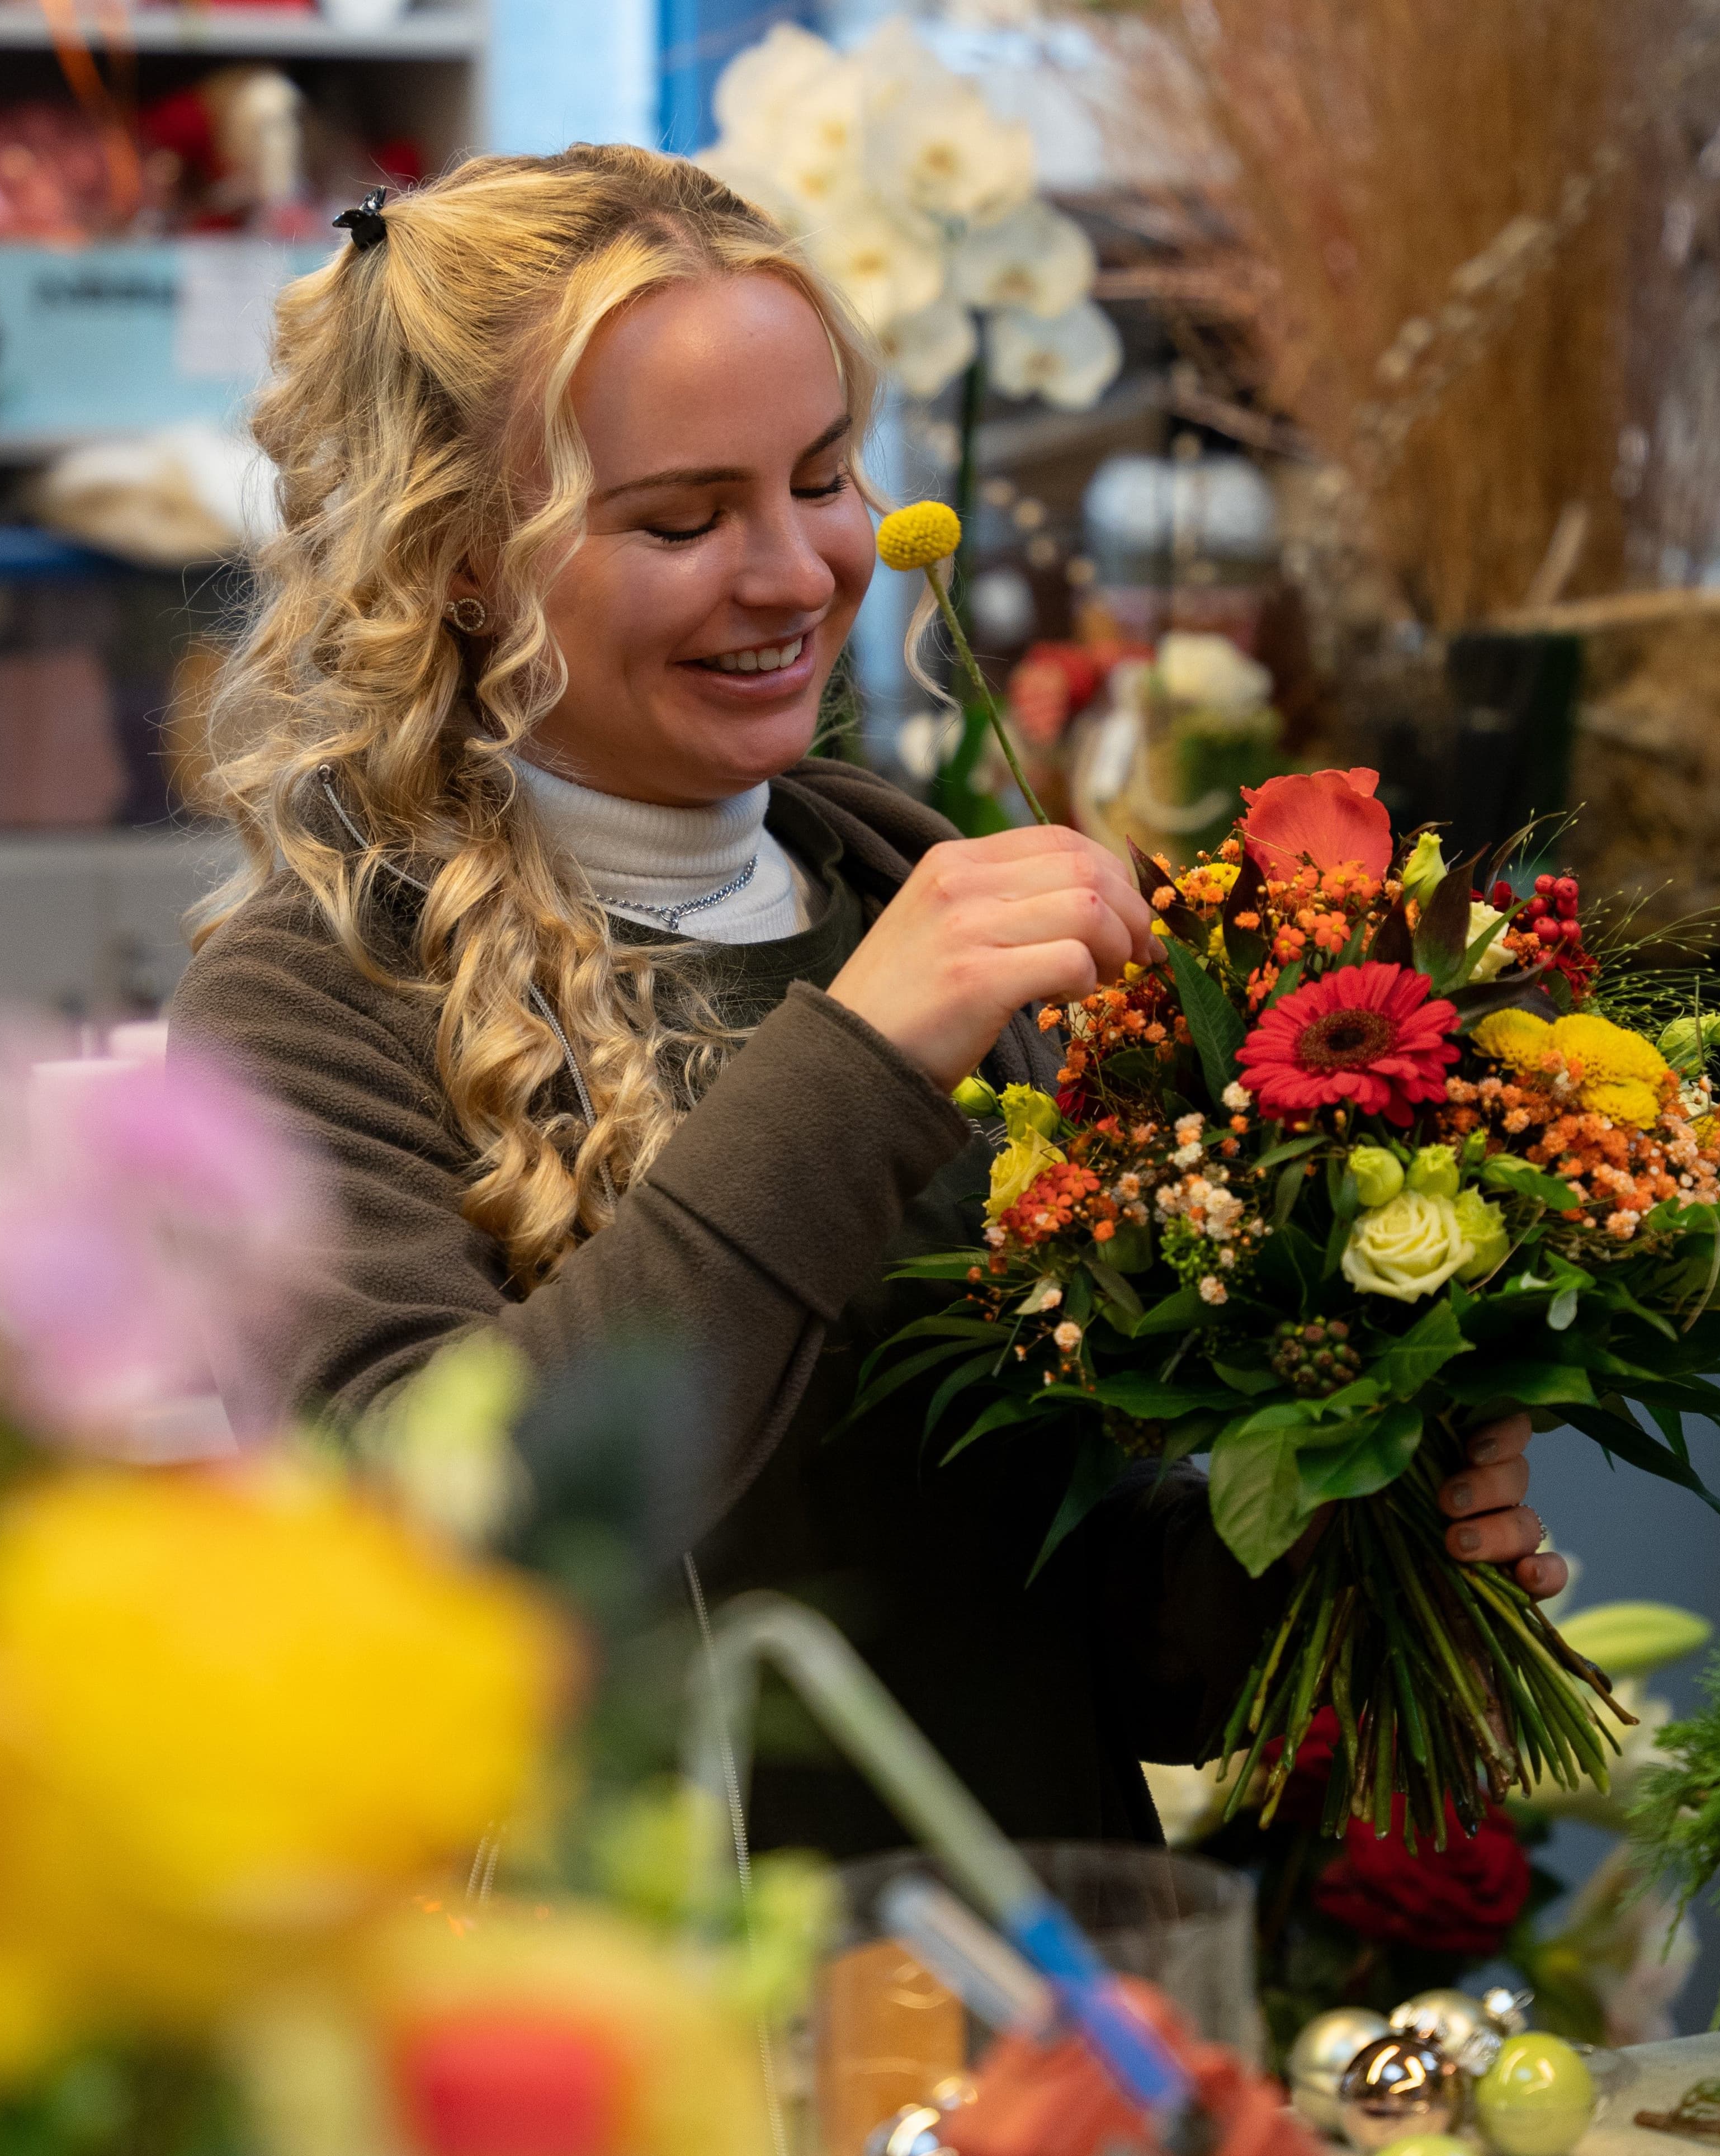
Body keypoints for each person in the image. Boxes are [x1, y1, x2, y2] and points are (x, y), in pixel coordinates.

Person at [172, 146, 1563, 1856]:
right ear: (460, 556)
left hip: (1041, 2028)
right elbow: (424, 1556)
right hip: (628, 2064)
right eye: (682, 518)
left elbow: (1068, 1632)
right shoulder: (311, 1003)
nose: (797, 572)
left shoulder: (916, 902)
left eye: (823, 479)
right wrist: (855, 1062)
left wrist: (1332, 1532)